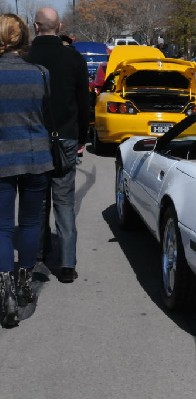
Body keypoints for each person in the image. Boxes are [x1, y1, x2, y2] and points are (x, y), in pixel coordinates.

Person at [26, 7, 89, 283]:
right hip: (66, 137)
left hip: (35, 138)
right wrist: (82, 138)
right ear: (59, 25)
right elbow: (84, 104)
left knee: (37, 201)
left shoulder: (26, 59)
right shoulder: (73, 58)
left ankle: (38, 252)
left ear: (35, 27)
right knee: (64, 201)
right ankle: (66, 264)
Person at [0, 14, 53, 327]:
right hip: (35, 157)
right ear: (23, 39)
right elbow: (45, 114)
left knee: (3, 227)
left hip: (2, 157)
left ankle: (5, 289)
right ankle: (23, 284)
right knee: (30, 222)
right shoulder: (41, 73)